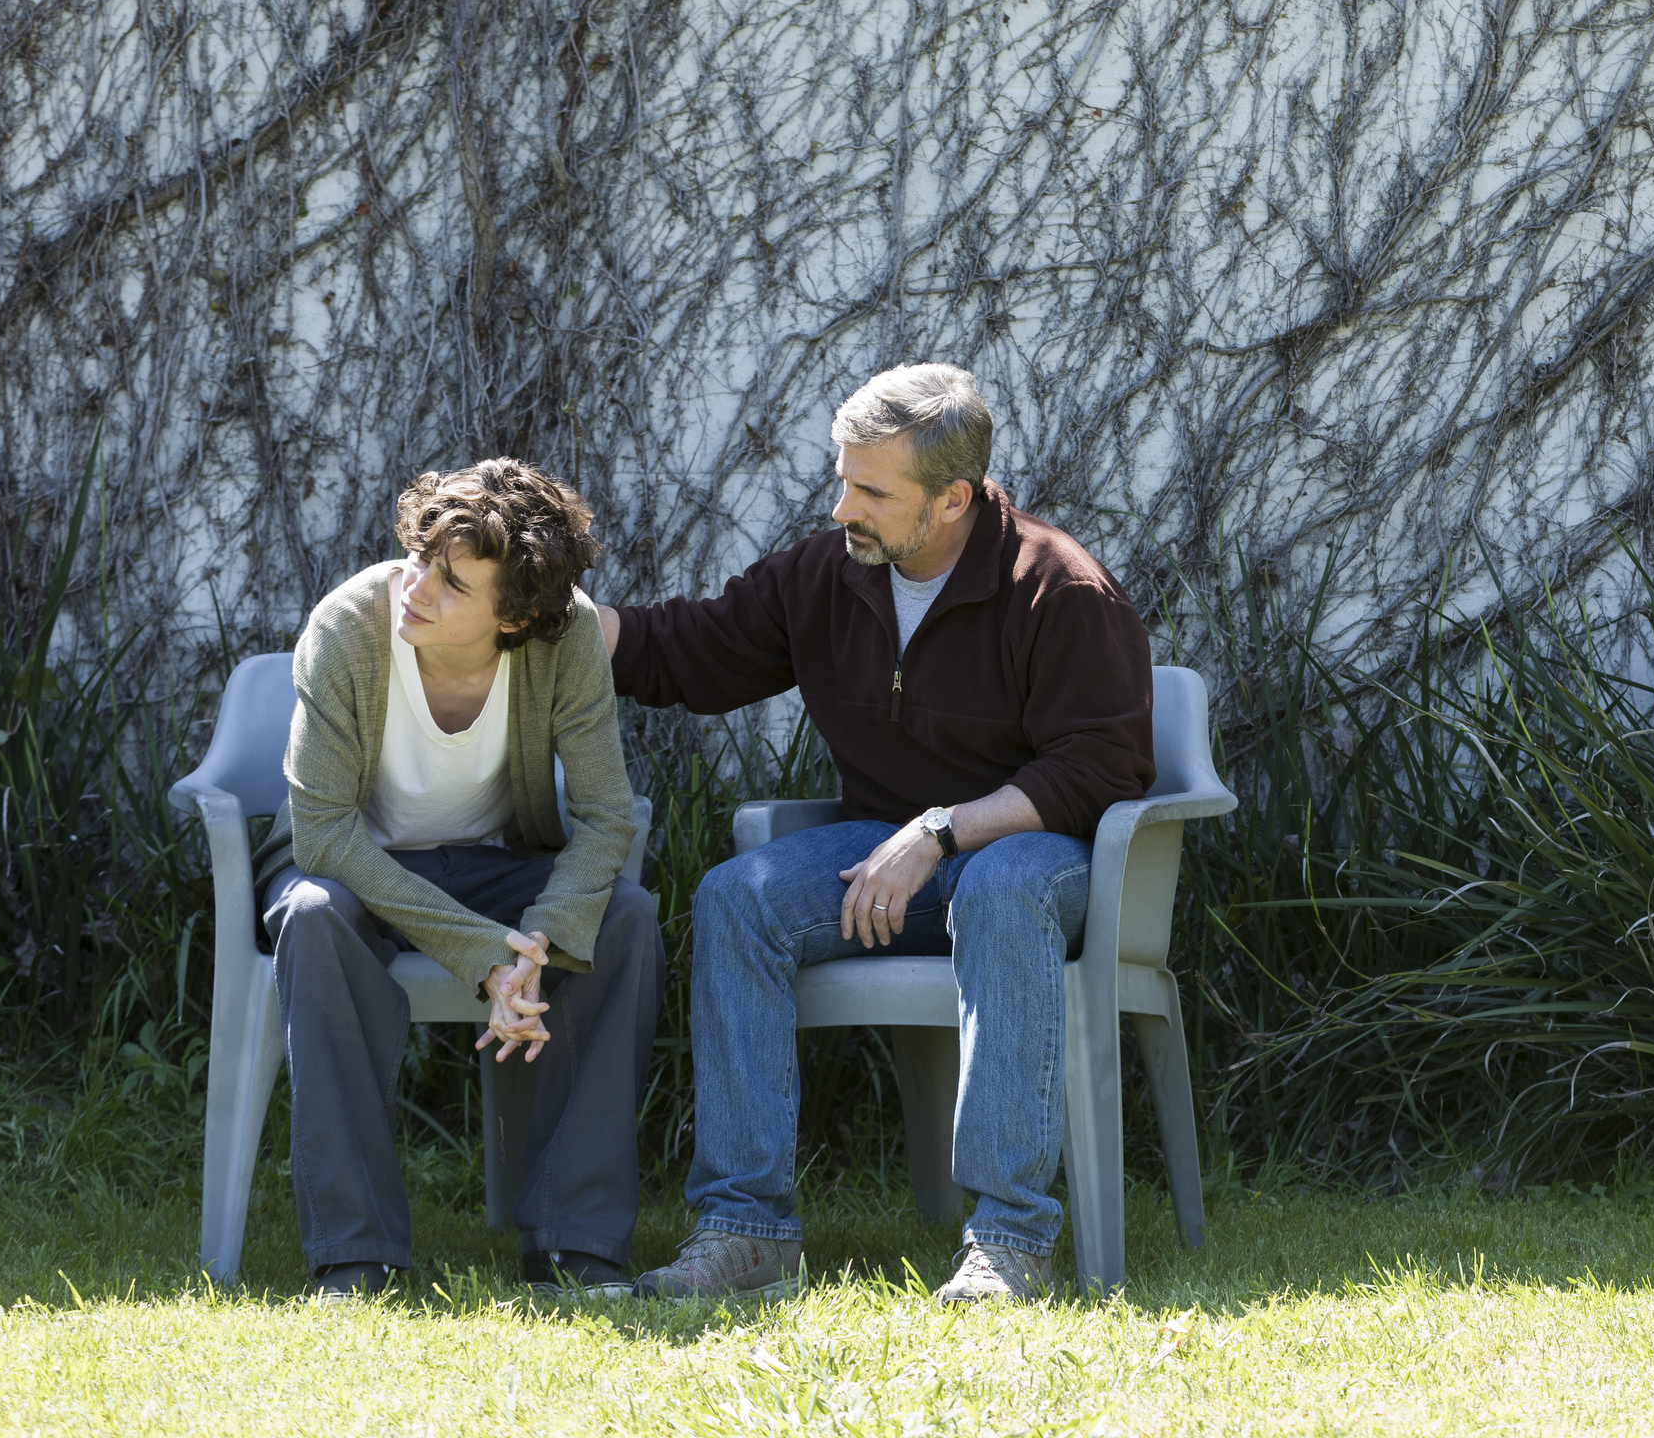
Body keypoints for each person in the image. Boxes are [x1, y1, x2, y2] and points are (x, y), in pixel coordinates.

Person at [602, 363, 1154, 1304]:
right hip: (887, 853)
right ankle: (747, 1234)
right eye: (842, 477)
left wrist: (939, 832)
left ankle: (1010, 1242)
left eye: (869, 490)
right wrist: (553, 618)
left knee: (1003, 883)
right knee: (737, 898)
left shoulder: (1058, 590)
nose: (840, 506)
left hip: (1040, 858)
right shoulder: (830, 574)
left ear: (952, 499)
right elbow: (688, 651)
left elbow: (1100, 771)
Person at [256, 459, 661, 1301]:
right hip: (351, 869)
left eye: (450, 582)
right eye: (418, 559)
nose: (417, 588)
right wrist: (484, 953)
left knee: (621, 916)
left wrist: (540, 936)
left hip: (495, 868)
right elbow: (323, 834)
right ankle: (355, 1258)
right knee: (313, 919)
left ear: (513, 618)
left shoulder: (569, 636)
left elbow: (604, 816)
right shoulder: (348, 626)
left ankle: (574, 1244)